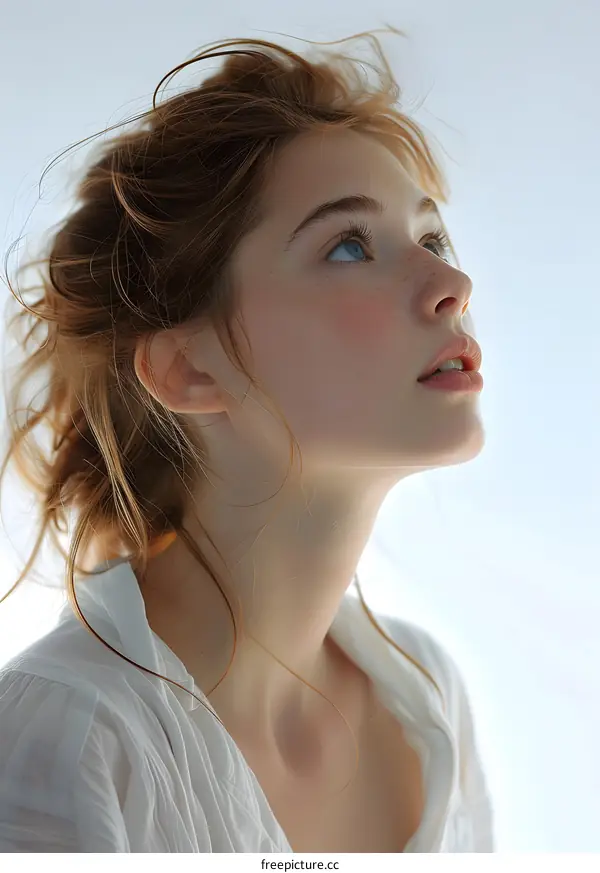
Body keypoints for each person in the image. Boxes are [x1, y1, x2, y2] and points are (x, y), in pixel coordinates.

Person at [0, 28, 494, 852]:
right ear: (190, 369)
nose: (453, 285)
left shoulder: (426, 697)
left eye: (433, 239)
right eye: (349, 244)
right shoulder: (66, 741)